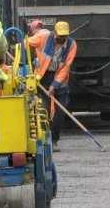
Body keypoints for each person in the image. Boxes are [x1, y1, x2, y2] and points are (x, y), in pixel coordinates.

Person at [28, 20, 77, 151]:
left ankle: (54, 140)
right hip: (43, 77)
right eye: (59, 36)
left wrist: (55, 85)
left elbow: (66, 67)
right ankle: (45, 140)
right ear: (54, 33)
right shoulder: (43, 37)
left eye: (64, 36)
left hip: (60, 79)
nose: (61, 39)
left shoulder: (72, 45)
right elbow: (25, 43)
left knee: (61, 111)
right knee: (44, 110)